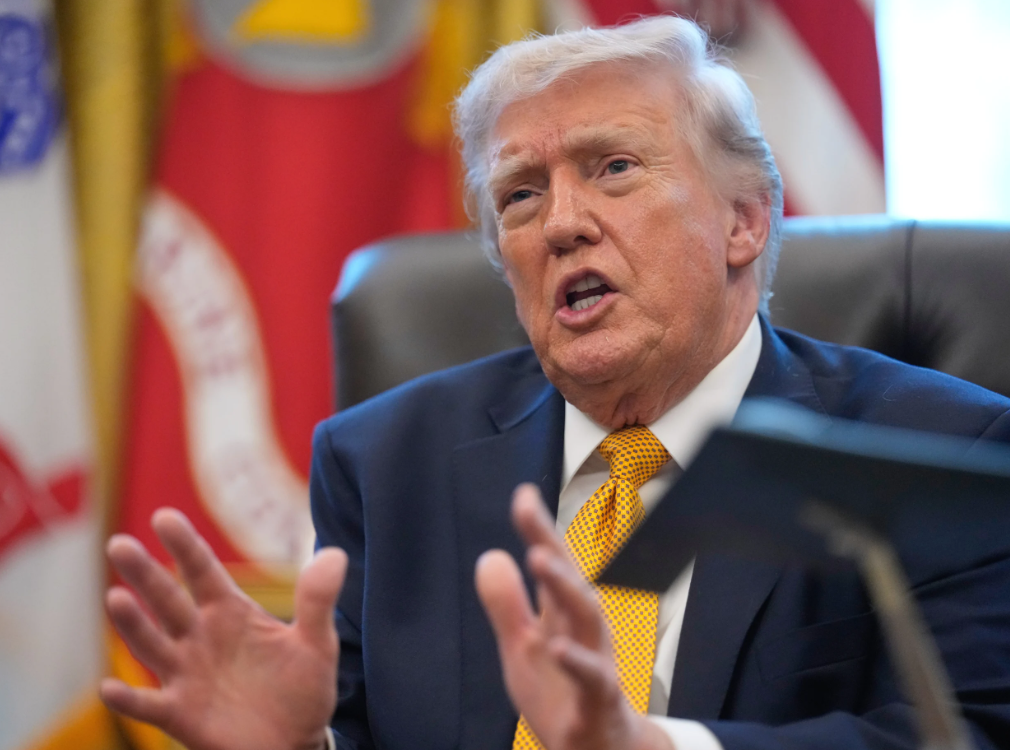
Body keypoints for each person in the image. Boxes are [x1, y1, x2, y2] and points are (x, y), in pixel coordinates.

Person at [101, 15, 1010, 750]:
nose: (561, 223)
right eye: (521, 195)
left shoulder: (937, 450)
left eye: (613, 168)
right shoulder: (384, 462)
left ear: (744, 221)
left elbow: (969, 733)